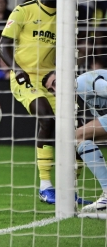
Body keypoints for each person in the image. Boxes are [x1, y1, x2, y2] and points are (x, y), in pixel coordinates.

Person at [0, 0, 57, 204]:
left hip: (51, 80)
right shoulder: (24, 9)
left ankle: (71, 187)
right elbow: (3, 45)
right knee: (47, 119)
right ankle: (45, 186)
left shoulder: (67, 15)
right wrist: (17, 69)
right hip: (24, 78)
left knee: (75, 127)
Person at [43, 70, 107, 212]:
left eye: (55, 83)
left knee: (77, 136)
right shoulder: (83, 91)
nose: (55, 90)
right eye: (51, 90)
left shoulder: (82, 82)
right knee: (81, 139)